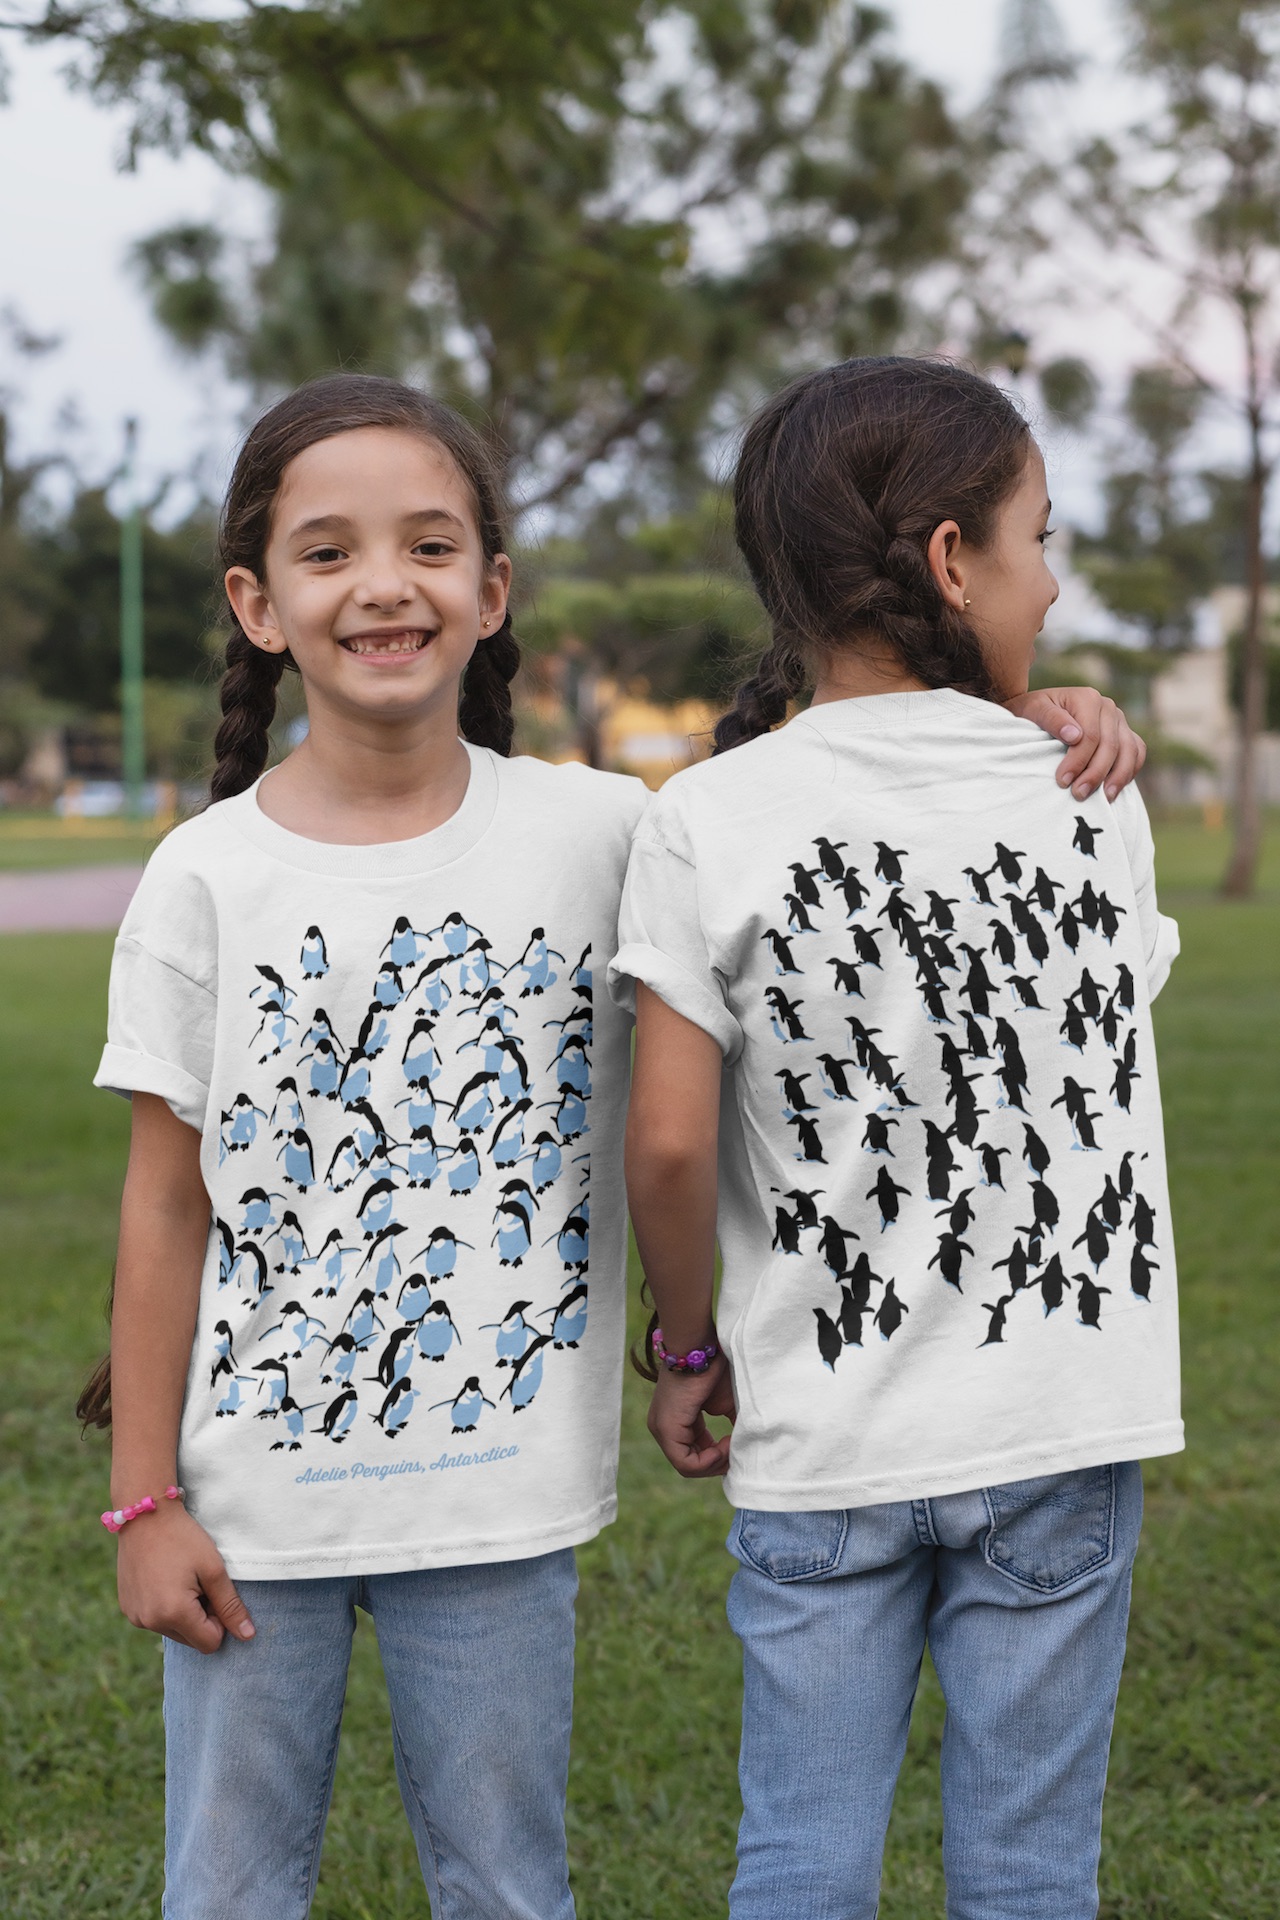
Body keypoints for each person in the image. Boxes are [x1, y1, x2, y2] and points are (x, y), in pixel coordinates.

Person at [80, 367, 1143, 1920]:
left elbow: (831, 802)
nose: (385, 584)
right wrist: (140, 1499)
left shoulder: (610, 831)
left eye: (431, 546)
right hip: (252, 1521)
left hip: (506, 1511)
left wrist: (1021, 712)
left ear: (494, 589)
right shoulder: (201, 877)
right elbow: (163, 1210)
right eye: (327, 554)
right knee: (227, 1891)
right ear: (256, 603)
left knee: (513, 1890)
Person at [612, 357, 1181, 1920]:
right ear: (950, 559)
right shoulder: (1089, 795)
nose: (1053, 586)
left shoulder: (704, 814)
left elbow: (664, 1151)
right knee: (1028, 1873)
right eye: (1040, 538)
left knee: (799, 1860)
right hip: (1057, 1427)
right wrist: (1041, 721)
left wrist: (683, 1350)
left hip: (823, 1442)